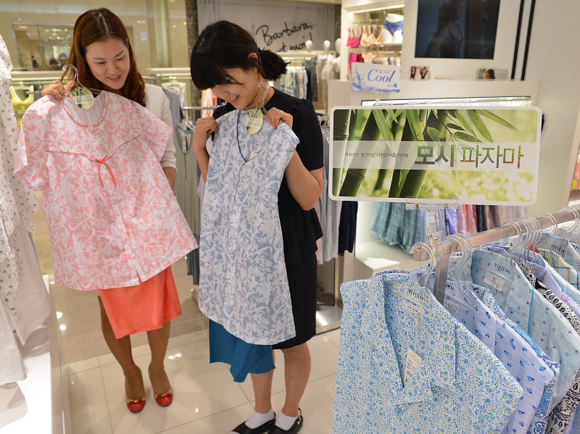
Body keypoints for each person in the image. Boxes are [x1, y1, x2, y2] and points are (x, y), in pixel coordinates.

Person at [41, 8, 181, 414]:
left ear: (130, 50)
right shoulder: (72, 102)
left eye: (120, 57)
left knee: (157, 303)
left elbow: (168, 159)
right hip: (101, 227)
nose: (113, 69)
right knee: (111, 304)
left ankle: (157, 366)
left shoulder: (154, 97)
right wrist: (51, 106)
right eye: (100, 61)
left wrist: (151, 207)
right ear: (82, 58)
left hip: (148, 220)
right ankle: (130, 371)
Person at [190, 20, 324, 434]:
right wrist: (200, 149)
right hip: (244, 248)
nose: (223, 94)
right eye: (215, 87)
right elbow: (221, 191)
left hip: (290, 246)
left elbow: (310, 197)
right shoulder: (224, 117)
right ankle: (261, 410)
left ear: (253, 63)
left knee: (293, 341)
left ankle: (289, 413)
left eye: (227, 82)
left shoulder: (298, 113)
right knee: (253, 336)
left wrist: (286, 143)